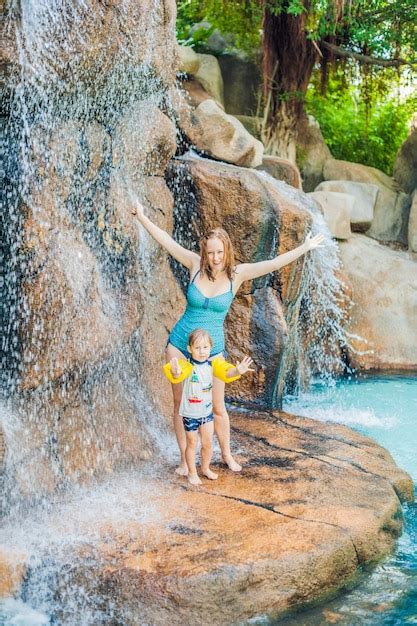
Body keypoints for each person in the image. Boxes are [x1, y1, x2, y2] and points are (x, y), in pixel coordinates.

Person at [131, 199, 324, 475]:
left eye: (219, 252)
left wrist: (304, 247)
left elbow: (272, 263)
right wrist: (141, 216)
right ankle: (186, 461)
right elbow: (165, 241)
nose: (215, 258)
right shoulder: (193, 264)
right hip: (180, 344)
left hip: (213, 350)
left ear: (227, 250)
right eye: (210, 253)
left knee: (218, 407)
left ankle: (227, 455)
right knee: (180, 405)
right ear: (204, 253)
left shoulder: (238, 274)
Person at [163, 328, 254, 485]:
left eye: (205, 348)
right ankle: (192, 472)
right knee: (192, 443)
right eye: (197, 348)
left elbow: (227, 373)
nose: (202, 351)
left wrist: (238, 370)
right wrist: (176, 371)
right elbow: (177, 376)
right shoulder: (187, 366)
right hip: (190, 414)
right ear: (189, 349)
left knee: (208, 442)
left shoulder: (213, 365)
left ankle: (205, 468)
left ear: (211, 349)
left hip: (206, 413)